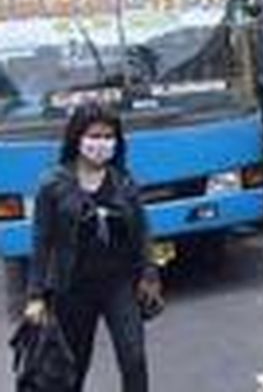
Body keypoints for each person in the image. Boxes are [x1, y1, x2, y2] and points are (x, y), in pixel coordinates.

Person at [23, 101, 163, 392]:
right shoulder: (53, 185)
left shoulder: (124, 182)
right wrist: (36, 296)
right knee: (73, 366)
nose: (101, 144)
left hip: (119, 285)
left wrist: (149, 274)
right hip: (73, 289)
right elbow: (41, 242)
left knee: (134, 358)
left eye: (108, 137)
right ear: (78, 138)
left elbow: (142, 233)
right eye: (94, 136)